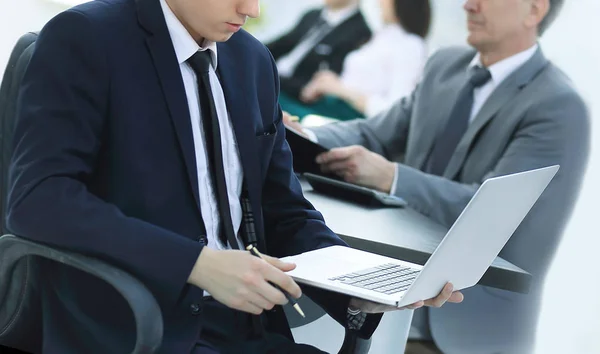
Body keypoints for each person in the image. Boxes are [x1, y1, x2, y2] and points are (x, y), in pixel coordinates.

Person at [5, 0, 463, 353]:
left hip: (250, 328)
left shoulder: (251, 60)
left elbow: (283, 208)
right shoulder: (86, 37)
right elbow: (39, 198)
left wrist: (356, 286)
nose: (252, 9)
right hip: (139, 325)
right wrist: (195, 264)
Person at [284, 0, 590, 353]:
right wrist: (299, 136)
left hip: (462, 328)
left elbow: (496, 214)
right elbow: (374, 134)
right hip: (388, 303)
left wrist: (391, 177)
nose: (468, 5)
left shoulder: (559, 106)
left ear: (534, 10)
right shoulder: (445, 66)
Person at [297, 0, 431, 120]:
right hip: (327, 106)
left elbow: (396, 111)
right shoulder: (382, 36)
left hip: (349, 119)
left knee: (280, 111)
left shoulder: (411, 45)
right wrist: (326, 83)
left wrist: (340, 89)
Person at [266, 0, 372, 103]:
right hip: (274, 78)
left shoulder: (360, 33)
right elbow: (280, 44)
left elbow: (318, 84)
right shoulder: (312, 15)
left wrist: (272, 78)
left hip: (291, 93)